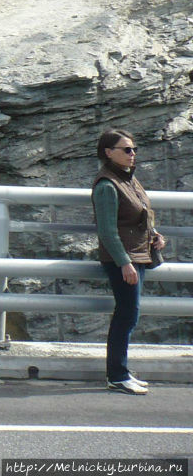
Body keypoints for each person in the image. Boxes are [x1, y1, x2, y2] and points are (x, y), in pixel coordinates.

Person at [92, 128, 166, 395]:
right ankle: (117, 375)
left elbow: (141, 215)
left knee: (129, 315)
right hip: (123, 260)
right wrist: (124, 262)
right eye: (126, 150)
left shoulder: (129, 180)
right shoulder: (106, 185)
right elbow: (107, 230)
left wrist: (156, 236)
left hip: (138, 256)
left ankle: (121, 372)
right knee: (126, 315)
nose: (132, 154)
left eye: (134, 149)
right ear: (108, 153)